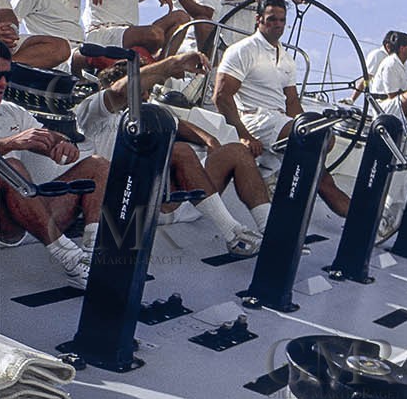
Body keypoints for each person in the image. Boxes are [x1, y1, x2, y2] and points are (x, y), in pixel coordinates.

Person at [74, 52, 268, 256]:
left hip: (178, 199)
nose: (146, 96)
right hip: (127, 206)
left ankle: (270, 230)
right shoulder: (91, 112)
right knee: (178, 150)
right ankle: (233, 233)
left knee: (237, 152)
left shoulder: (148, 112)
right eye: (141, 90)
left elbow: (179, 125)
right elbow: (121, 91)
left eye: (147, 91)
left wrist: (210, 141)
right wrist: (173, 63)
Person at [212, 0, 349, 217]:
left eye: (282, 20)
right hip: (255, 120)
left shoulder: (286, 59)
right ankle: (277, 185)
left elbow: (292, 103)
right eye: (271, 19)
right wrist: (243, 135)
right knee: (314, 147)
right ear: (258, 20)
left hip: (280, 121)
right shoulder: (243, 50)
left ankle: (361, 220)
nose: (278, 24)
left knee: (322, 148)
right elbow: (221, 96)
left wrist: (308, 127)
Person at [0, 40, 108, 283]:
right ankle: (70, 258)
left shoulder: (13, 111)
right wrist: (10, 143)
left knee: (98, 165)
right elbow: (15, 145)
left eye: (6, 75)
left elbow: (45, 137)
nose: (3, 84)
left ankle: (90, 258)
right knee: (9, 167)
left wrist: (62, 143)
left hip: (29, 217)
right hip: (0, 224)